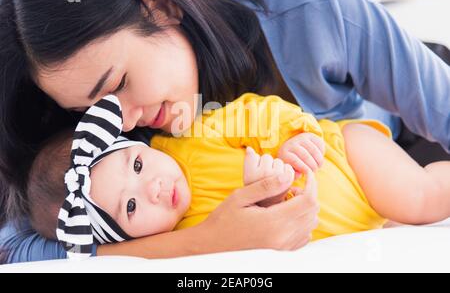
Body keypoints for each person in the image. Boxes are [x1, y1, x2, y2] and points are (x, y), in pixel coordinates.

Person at [2, 0, 450, 264]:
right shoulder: (108, 156)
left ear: (159, 6)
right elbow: (20, 250)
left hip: (396, 135)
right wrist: (210, 241)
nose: (123, 120)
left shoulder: (309, 8)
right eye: (90, 110)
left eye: (118, 84)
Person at [28, 93, 450, 260]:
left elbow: (257, 111)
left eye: (136, 166)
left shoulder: (189, 137)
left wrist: (287, 140)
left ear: (136, 144)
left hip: (347, 159)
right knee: (399, 218)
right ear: (127, 236)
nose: (152, 187)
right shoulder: (192, 240)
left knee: (422, 198)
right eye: (131, 206)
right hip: (356, 220)